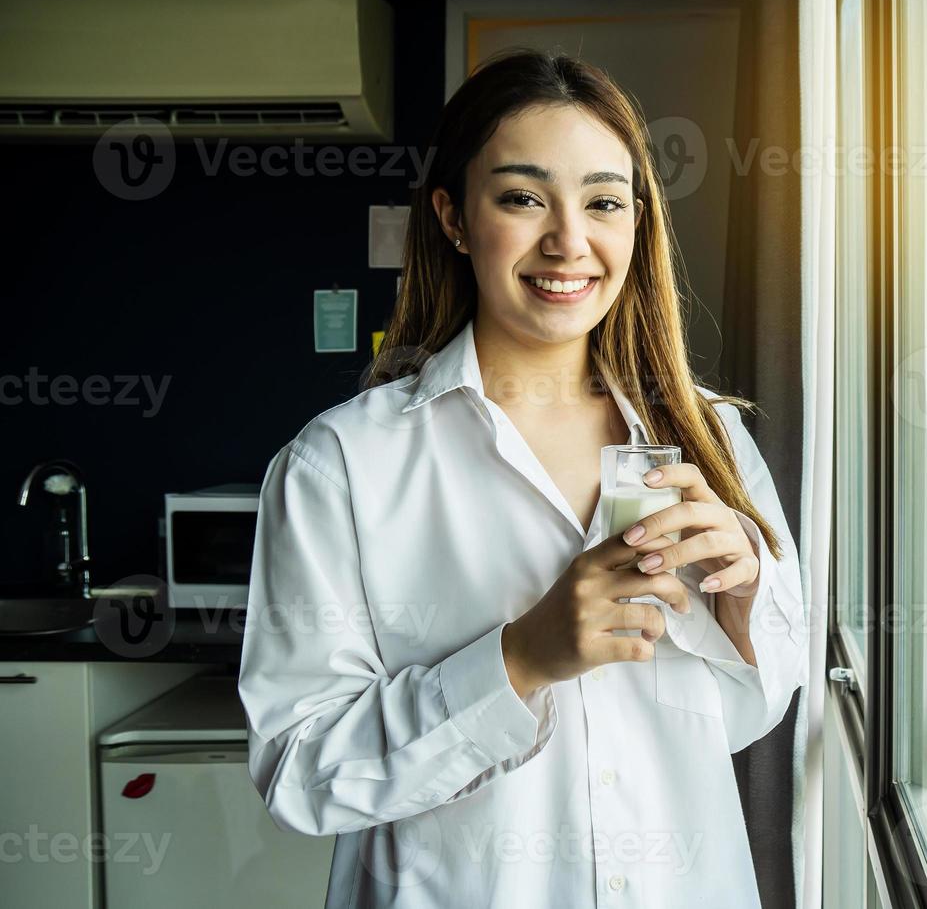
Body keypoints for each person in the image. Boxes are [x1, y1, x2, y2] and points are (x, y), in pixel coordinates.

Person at [237, 47, 809, 908]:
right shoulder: (342, 465)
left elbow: (742, 716)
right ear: (456, 218)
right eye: (522, 198)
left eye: (604, 202)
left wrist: (744, 600)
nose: (569, 242)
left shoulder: (707, 436)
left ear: (637, 223)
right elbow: (301, 774)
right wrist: (519, 659)